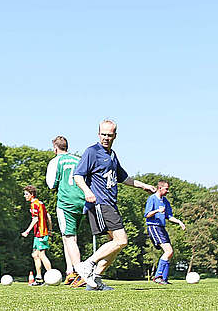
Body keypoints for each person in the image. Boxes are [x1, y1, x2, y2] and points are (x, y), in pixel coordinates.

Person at [73, 119, 156, 291]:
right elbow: (78, 175)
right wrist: (87, 192)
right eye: (103, 134)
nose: (106, 138)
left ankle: (95, 280)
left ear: (115, 136)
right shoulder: (92, 152)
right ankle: (87, 265)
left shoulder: (112, 155)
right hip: (100, 203)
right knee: (121, 240)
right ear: (98, 134)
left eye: (109, 135)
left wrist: (144, 186)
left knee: (115, 244)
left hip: (111, 203)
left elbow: (124, 178)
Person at [45, 135, 84, 286]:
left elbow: (51, 184)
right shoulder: (78, 159)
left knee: (68, 238)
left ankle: (78, 272)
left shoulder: (56, 161)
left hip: (66, 202)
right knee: (72, 237)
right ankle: (71, 271)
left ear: (55, 148)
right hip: (80, 202)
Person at [143, 180, 186, 285]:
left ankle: (164, 278)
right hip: (154, 226)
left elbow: (169, 216)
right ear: (160, 188)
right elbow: (147, 215)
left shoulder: (165, 201)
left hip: (162, 227)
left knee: (170, 253)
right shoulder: (152, 199)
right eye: (166, 189)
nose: (168, 191)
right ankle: (158, 277)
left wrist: (179, 222)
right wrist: (157, 211)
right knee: (168, 251)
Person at [21, 185, 52, 286]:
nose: (25, 196)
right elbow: (48, 216)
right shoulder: (40, 203)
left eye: (26, 194)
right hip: (39, 233)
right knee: (35, 255)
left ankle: (52, 277)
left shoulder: (34, 204)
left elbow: (35, 219)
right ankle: (39, 279)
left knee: (42, 255)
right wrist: (50, 229)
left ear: (32, 194)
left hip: (41, 233)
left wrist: (27, 231)